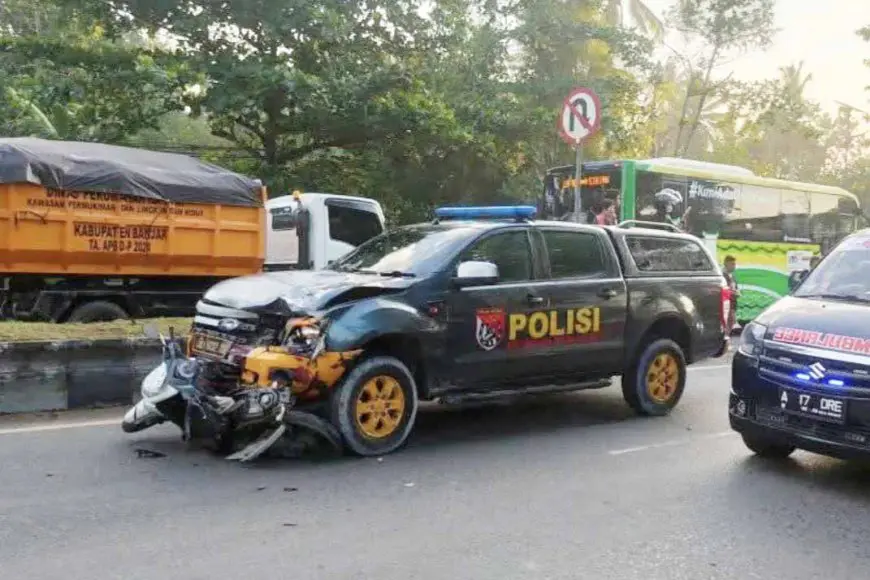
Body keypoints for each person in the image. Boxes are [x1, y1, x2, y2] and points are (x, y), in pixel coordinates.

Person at [722, 255, 739, 333]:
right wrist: (733, 293)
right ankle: (725, 342)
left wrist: (737, 292)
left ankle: (726, 341)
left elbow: (734, 288)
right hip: (727, 306)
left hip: (732, 305)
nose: (734, 266)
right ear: (726, 264)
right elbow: (722, 290)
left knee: (730, 326)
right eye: (732, 264)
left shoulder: (732, 276)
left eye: (734, 264)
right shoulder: (722, 276)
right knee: (727, 326)